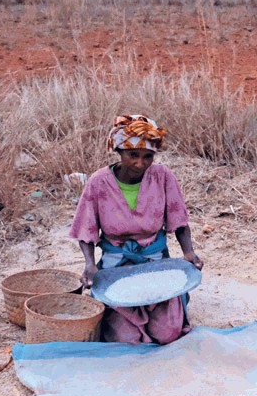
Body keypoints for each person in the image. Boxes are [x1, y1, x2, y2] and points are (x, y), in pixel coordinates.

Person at [70, 115, 204, 344]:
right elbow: (85, 229)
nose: (140, 164)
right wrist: (90, 264)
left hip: (155, 264)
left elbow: (179, 221)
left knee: (167, 334)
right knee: (127, 339)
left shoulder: (163, 177)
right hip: (116, 268)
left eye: (147, 157)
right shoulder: (99, 182)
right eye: (133, 155)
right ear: (119, 151)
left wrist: (189, 252)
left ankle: (173, 306)